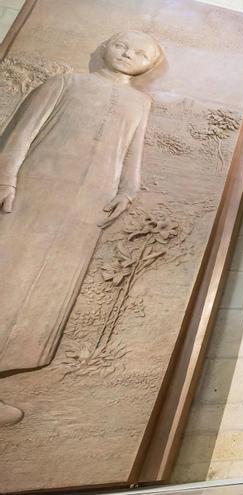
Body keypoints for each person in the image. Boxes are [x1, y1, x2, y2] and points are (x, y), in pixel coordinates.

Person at [0, 31, 162, 426]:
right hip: (33, 196)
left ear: (149, 65)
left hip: (87, 208)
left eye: (140, 53)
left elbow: (132, 151)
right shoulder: (66, 83)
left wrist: (128, 190)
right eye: (123, 45)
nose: (128, 54)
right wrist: (7, 179)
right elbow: (21, 134)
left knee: (42, 294)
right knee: (8, 280)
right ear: (105, 46)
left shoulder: (140, 102)